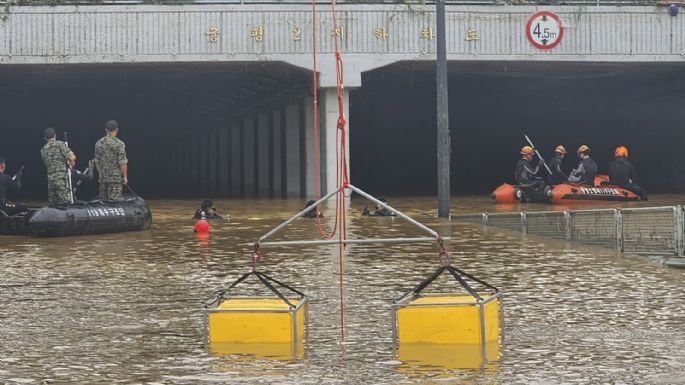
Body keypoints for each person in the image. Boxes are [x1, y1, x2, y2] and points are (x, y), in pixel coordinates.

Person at [40, 127, 76, 206]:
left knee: (53, 202)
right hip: (61, 177)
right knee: (65, 202)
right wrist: (70, 162)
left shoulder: (43, 150)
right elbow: (72, 157)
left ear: (45, 138)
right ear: (55, 135)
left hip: (50, 178)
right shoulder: (60, 144)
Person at [94, 120, 128, 201]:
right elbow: (122, 162)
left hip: (103, 179)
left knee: (104, 205)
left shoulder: (98, 143)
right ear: (117, 130)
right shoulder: (119, 144)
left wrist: (101, 174)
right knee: (114, 204)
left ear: (106, 129)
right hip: (115, 179)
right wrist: (125, 176)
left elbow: (97, 162)